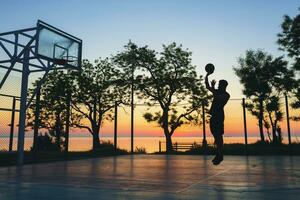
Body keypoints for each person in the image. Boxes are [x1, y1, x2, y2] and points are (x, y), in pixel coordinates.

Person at [205, 72, 230, 165]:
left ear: (224, 86)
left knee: (219, 136)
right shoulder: (217, 92)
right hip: (213, 116)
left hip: (219, 116)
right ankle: (218, 153)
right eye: (218, 84)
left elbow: (219, 99)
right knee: (215, 135)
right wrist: (207, 76)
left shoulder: (226, 95)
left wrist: (214, 89)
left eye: (220, 85)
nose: (218, 86)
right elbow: (207, 86)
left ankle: (220, 154)